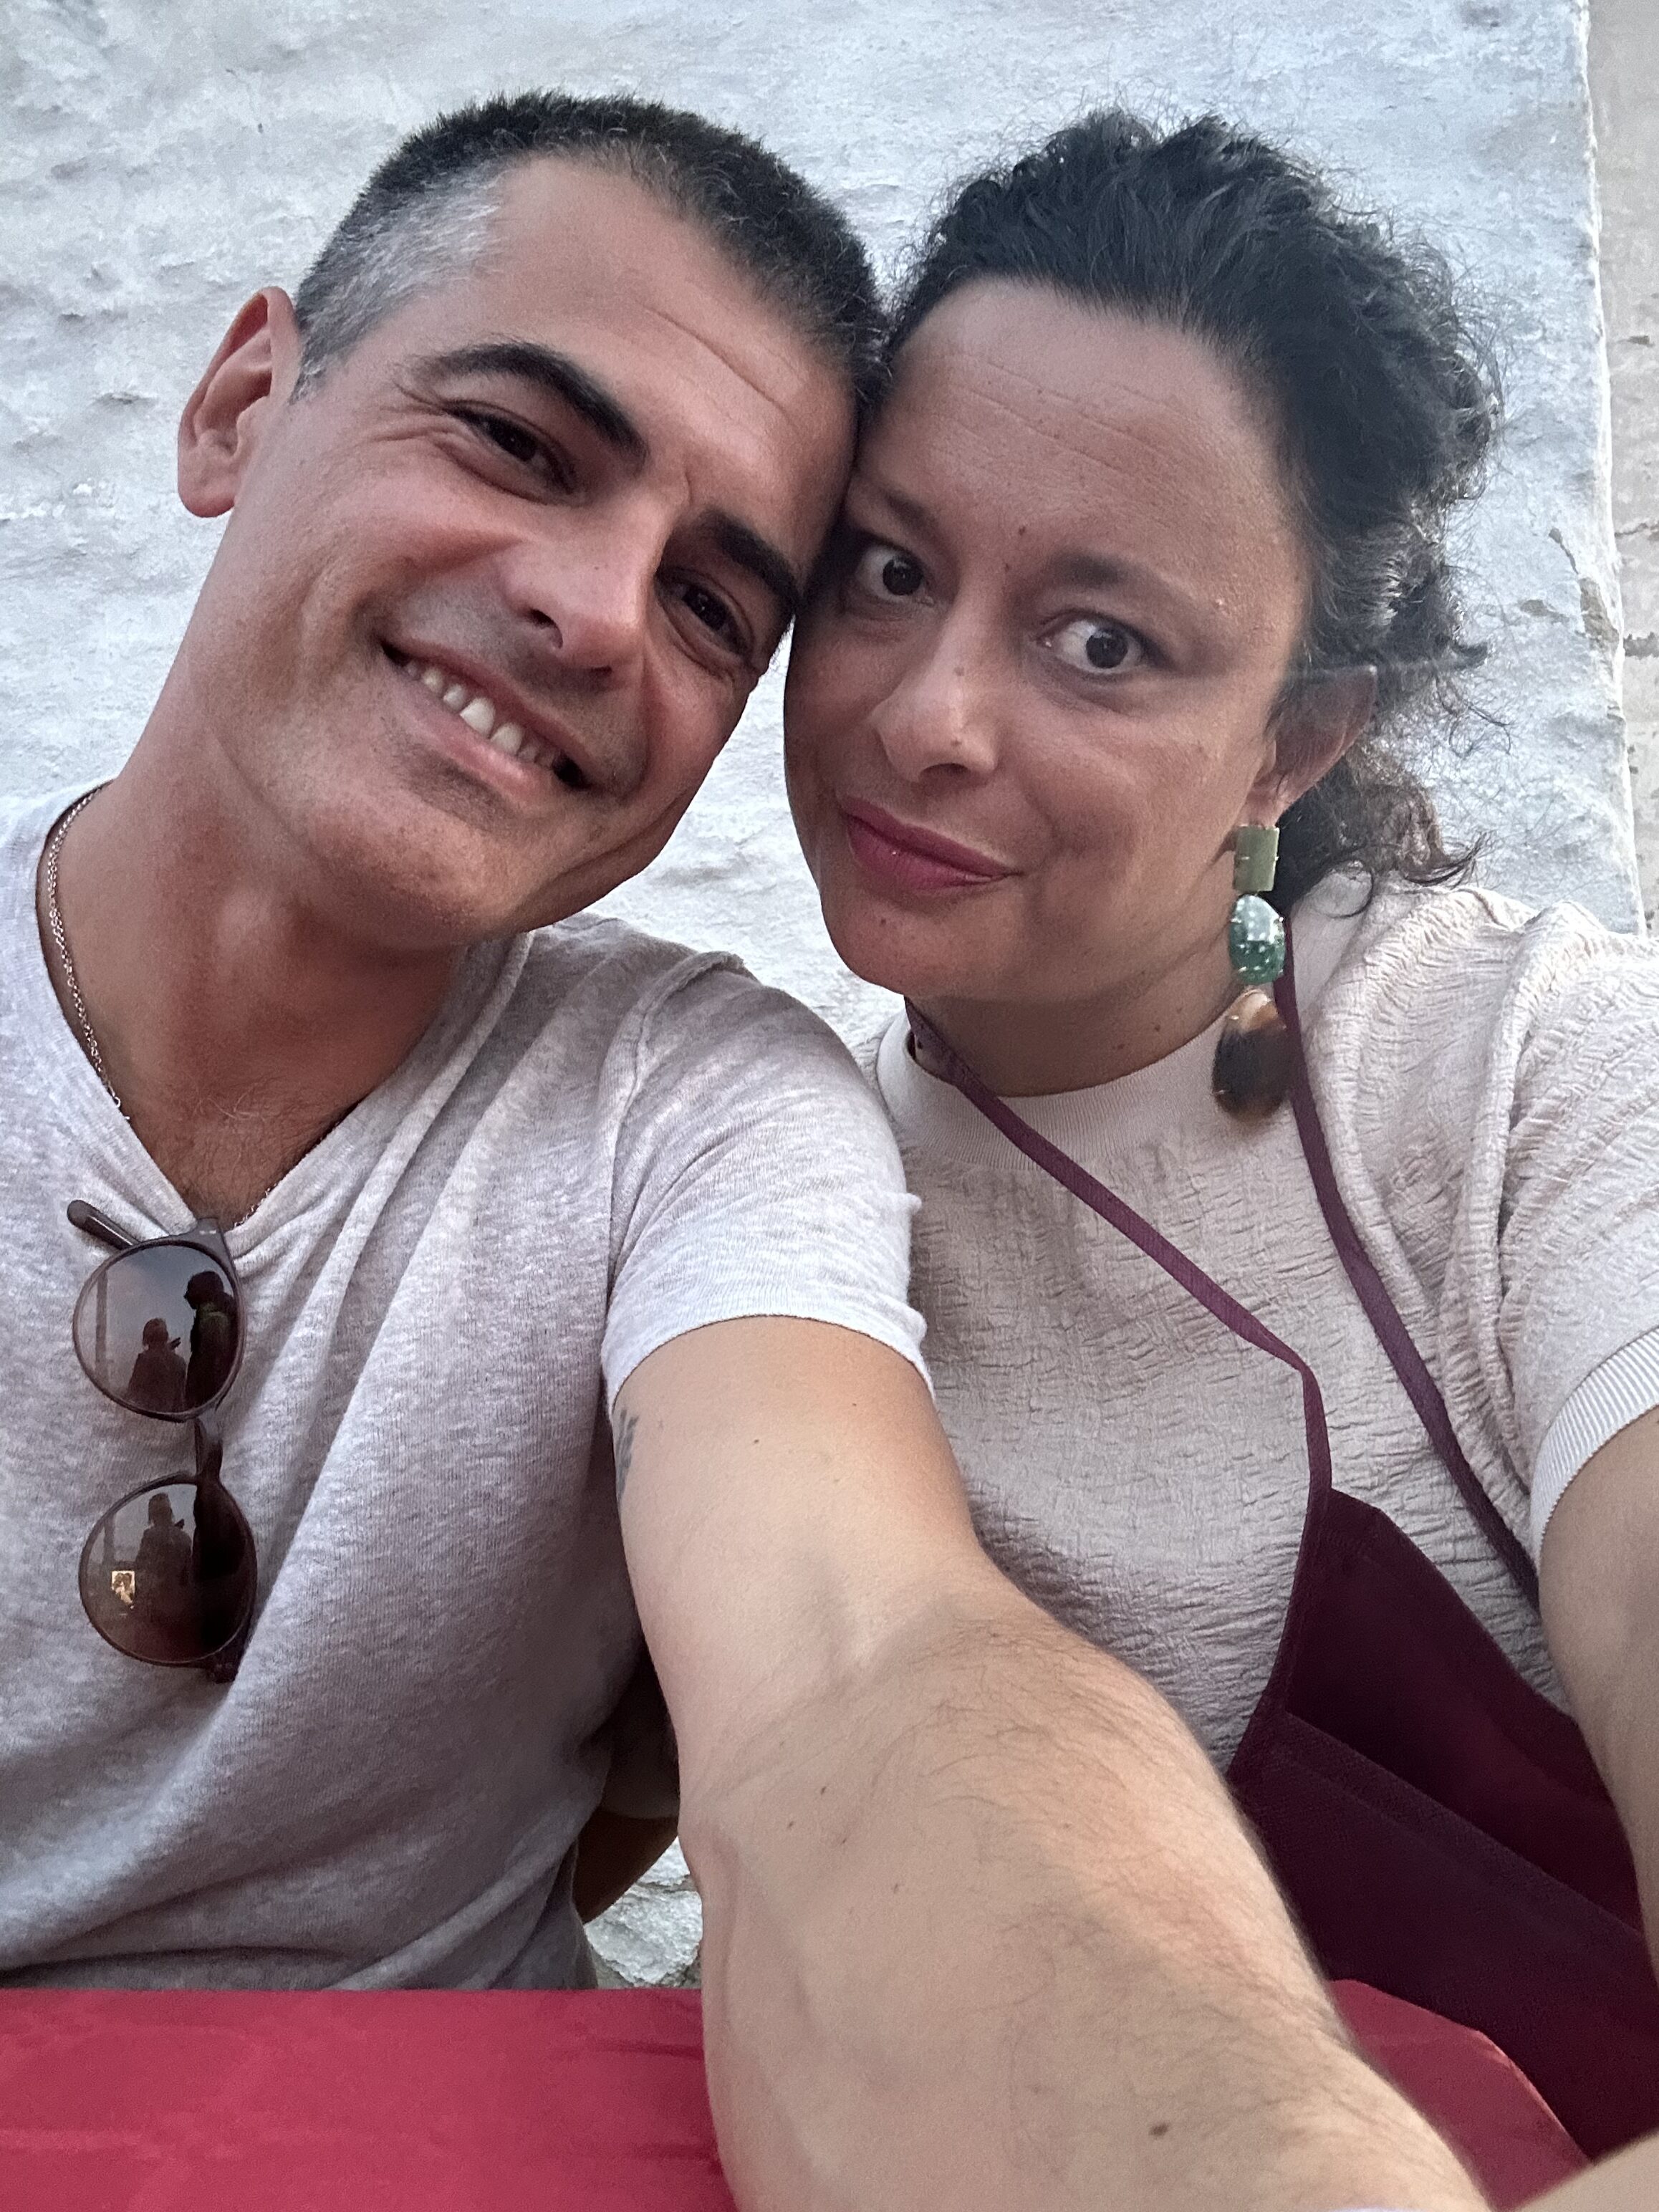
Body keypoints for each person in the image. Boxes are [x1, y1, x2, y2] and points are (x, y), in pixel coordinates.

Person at [0, 89, 1484, 2212]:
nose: (602, 611)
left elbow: (864, 1657)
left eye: (717, 602)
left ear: (1292, 744)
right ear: (245, 403)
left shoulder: (693, 1103)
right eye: (518, 444)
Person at [784, 107, 1659, 2200]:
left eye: (1102, 642)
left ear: (1295, 741)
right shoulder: (773, 1202)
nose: (929, 719)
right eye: (890, 571)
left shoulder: (1526, 1069)